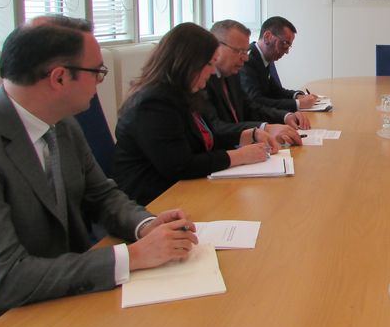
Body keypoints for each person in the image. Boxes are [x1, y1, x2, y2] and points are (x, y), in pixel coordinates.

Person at [0, 18, 197, 327]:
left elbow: (102, 194)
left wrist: (146, 225)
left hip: (74, 292)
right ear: (59, 77)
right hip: (13, 316)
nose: (100, 82)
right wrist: (132, 257)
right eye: (97, 72)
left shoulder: (62, 122)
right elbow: (3, 279)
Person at [113, 23, 276, 205]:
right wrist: (239, 156)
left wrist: (249, 134)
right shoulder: (154, 103)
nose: (212, 71)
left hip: (184, 190)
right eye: (209, 63)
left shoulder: (185, 93)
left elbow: (208, 135)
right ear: (188, 63)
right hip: (153, 200)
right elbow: (180, 165)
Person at [204, 20, 309, 145]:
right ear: (216, 47)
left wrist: (285, 116)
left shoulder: (231, 74)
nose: (245, 58)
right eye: (240, 51)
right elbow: (215, 128)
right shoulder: (202, 81)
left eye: (246, 51)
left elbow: (250, 107)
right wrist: (263, 129)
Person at [239, 16, 317, 113]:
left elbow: (276, 91)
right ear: (267, 37)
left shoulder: (264, 58)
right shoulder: (247, 59)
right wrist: (298, 104)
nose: (287, 51)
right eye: (285, 43)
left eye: (289, 46)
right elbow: (256, 100)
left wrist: (298, 95)